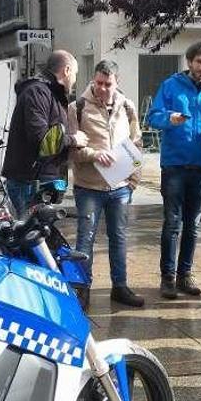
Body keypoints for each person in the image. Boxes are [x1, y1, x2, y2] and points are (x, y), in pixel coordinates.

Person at [147, 41, 201, 299]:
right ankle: (168, 277)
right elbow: (152, 116)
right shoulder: (170, 85)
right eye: (198, 61)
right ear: (189, 61)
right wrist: (169, 120)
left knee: (192, 225)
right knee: (172, 222)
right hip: (174, 164)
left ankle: (186, 274)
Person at [67, 60, 145, 308]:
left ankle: (120, 287)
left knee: (119, 238)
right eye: (98, 83)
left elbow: (137, 145)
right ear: (93, 80)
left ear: (116, 83)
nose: (102, 88)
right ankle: (82, 289)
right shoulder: (77, 107)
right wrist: (94, 154)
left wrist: (133, 182)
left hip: (120, 188)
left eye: (107, 84)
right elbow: (73, 151)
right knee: (85, 239)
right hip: (88, 186)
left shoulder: (128, 107)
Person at [2, 50, 88, 215]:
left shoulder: (50, 93)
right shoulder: (38, 92)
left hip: (40, 180)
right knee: (29, 237)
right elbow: (41, 138)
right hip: (28, 182)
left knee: (38, 236)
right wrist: (73, 140)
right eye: (75, 74)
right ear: (67, 70)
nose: (75, 80)